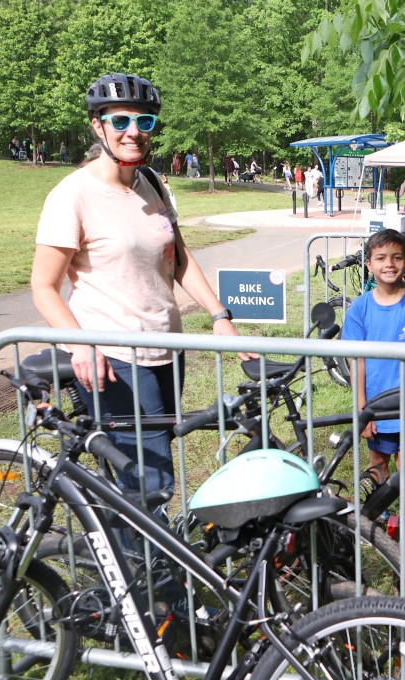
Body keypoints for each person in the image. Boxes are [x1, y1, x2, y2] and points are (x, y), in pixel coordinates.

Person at [31, 72, 245, 501]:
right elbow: (44, 286)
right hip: (115, 356)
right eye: (121, 120)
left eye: (144, 122)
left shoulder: (150, 183)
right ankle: (143, 568)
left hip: (166, 347)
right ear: (98, 125)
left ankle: (132, 561)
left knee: (151, 470)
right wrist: (80, 346)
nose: (134, 132)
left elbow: (179, 259)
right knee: (149, 483)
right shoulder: (72, 195)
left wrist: (219, 316)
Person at [341, 229, 405, 520]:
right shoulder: (359, 308)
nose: (390, 264)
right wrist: (361, 408)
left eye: (397, 257)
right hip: (376, 406)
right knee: (378, 463)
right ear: (368, 264)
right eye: (381, 258)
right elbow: (356, 361)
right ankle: (377, 521)